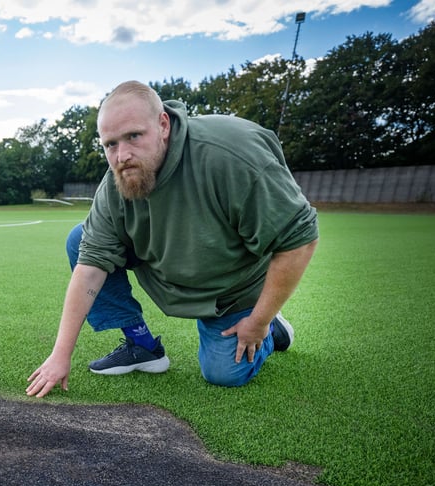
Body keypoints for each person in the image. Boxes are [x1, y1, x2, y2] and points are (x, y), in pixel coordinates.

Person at [27, 81, 318, 397]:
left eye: (133, 136)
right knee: (81, 239)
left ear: (163, 124)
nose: (122, 155)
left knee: (224, 373)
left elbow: (299, 238)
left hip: (233, 287)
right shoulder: (116, 183)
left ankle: (273, 327)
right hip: (173, 267)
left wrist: (258, 321)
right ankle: (142, 345)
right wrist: (60, 355)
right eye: (110, 144)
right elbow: (91, 266)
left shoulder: (230, 156)